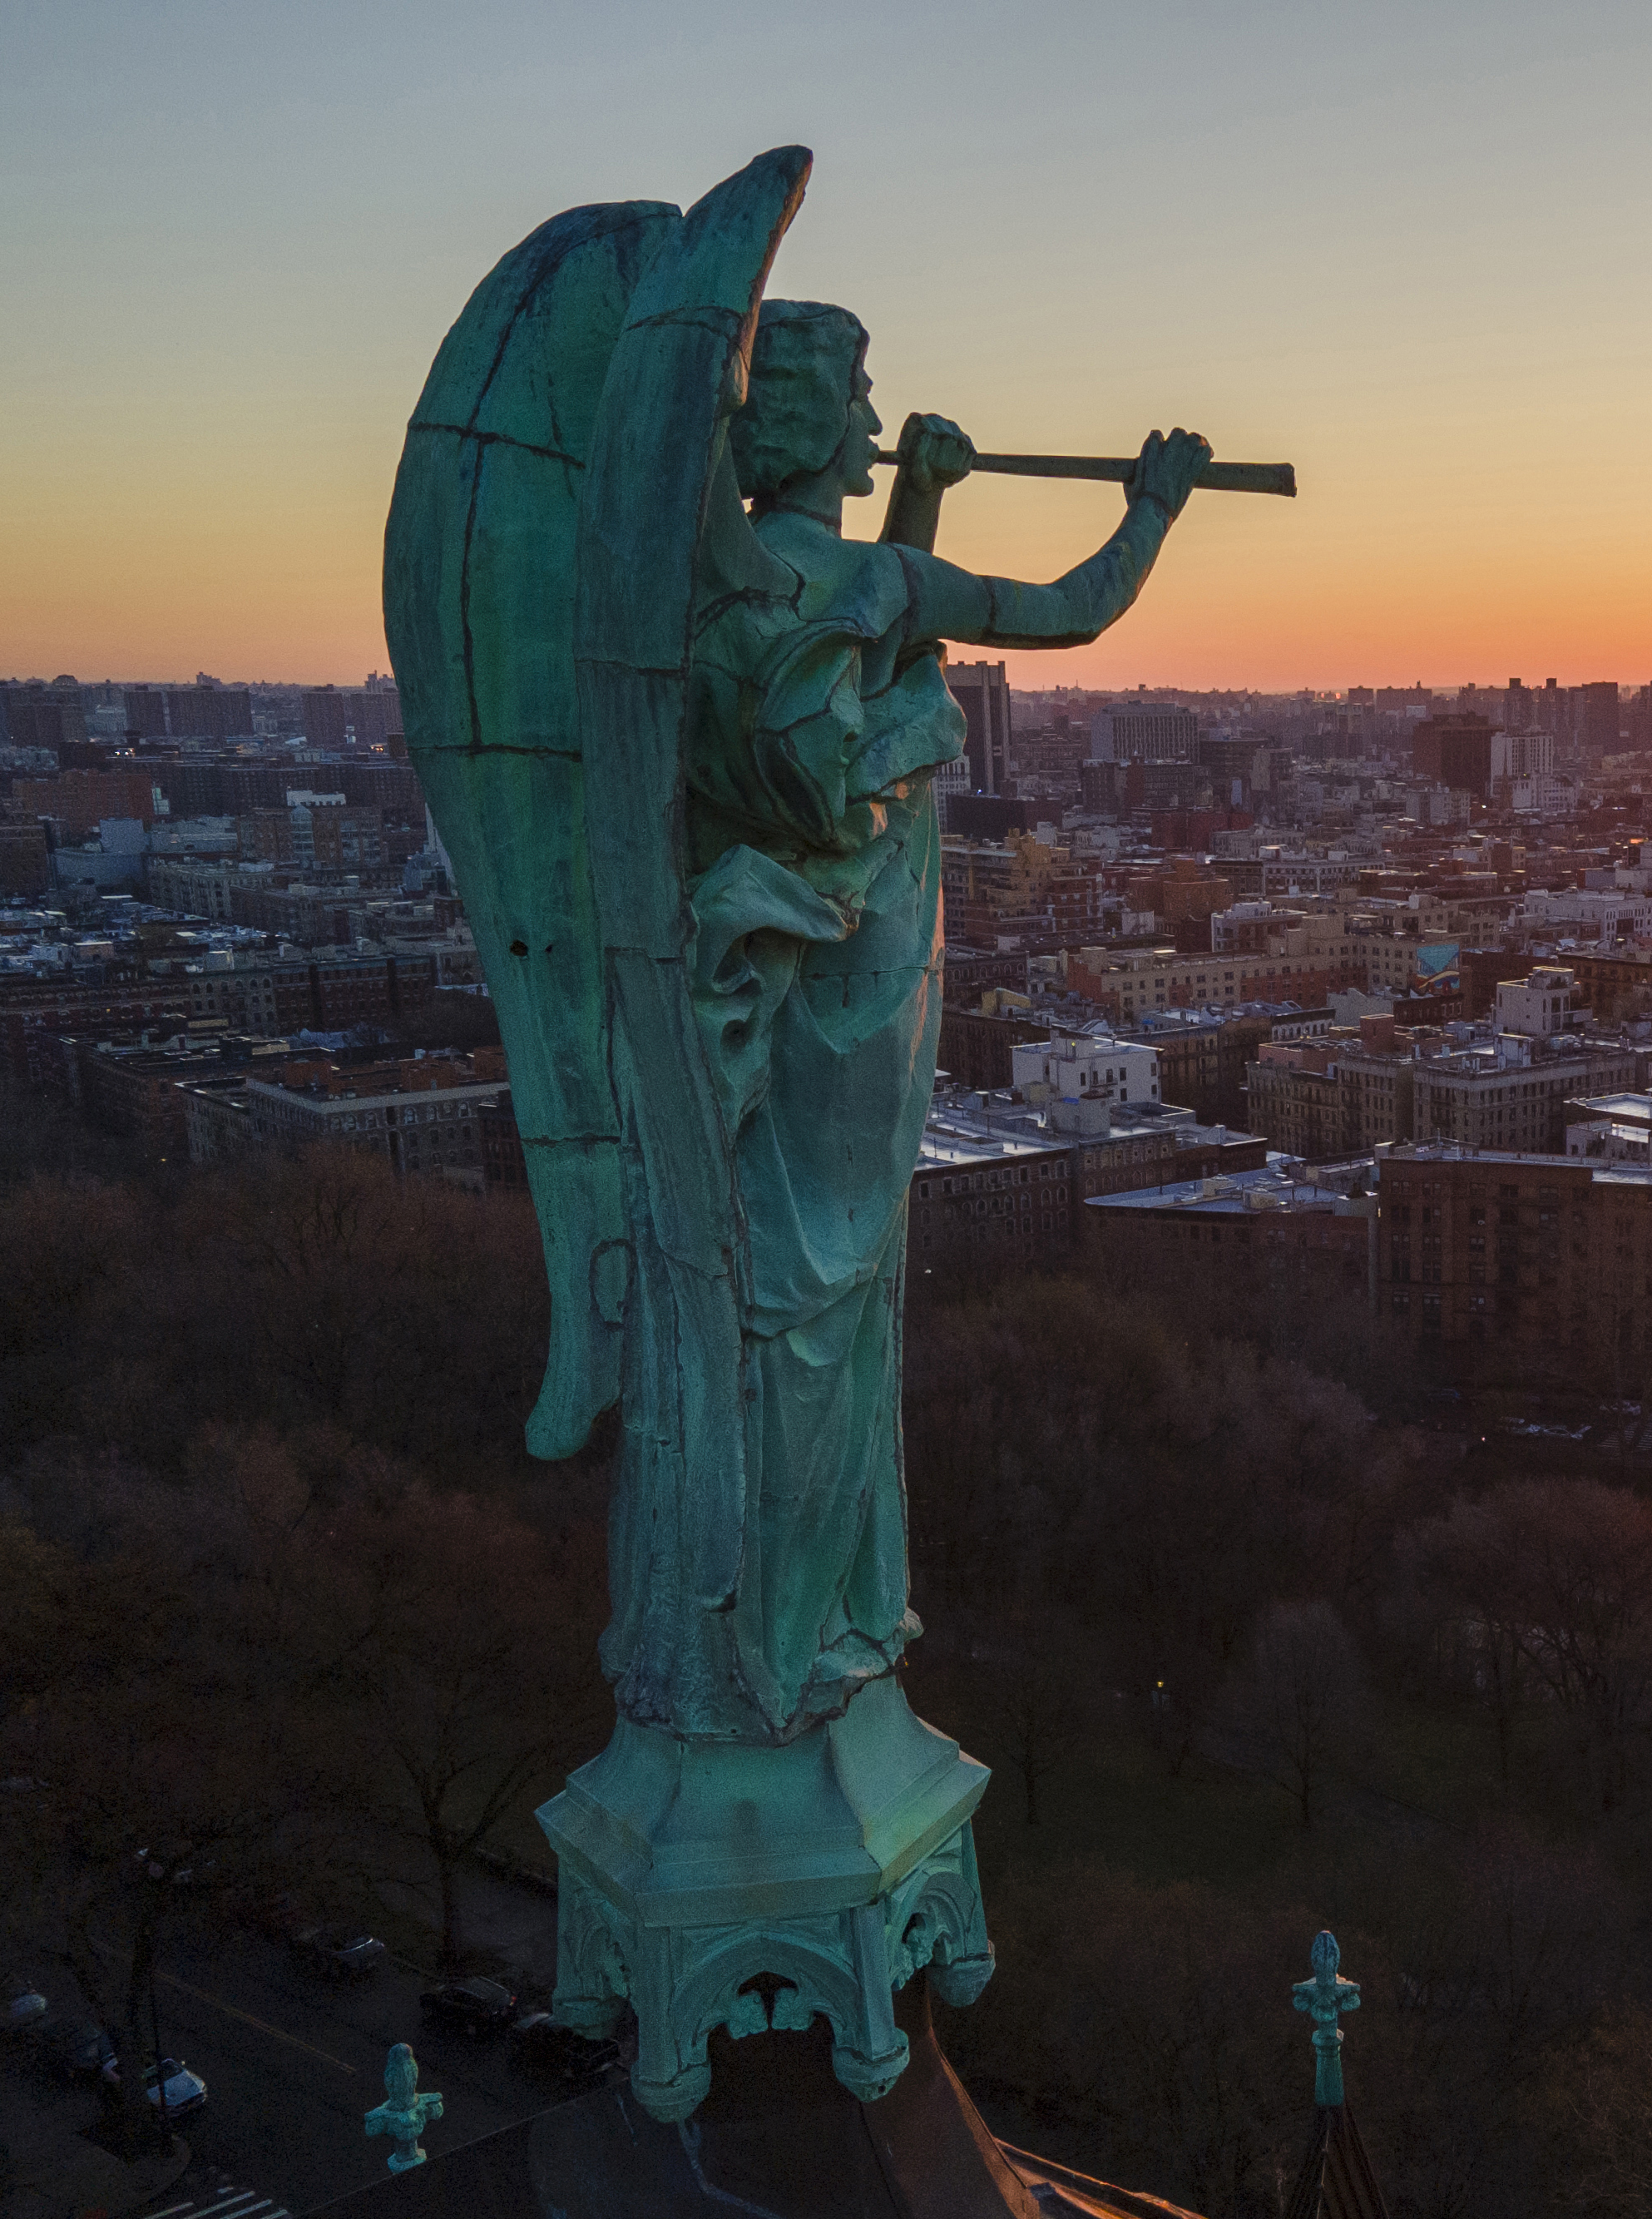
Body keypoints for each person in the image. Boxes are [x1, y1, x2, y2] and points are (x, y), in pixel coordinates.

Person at [614, 296, 1207, 1733]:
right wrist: (1158, 503)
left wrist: (925, 499)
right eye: (867, 401)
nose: (883, 423)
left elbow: (858, 630)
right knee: (826, 1300)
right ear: (829, 425)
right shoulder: (865, 583)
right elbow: (1063, 612)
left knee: (797, 1289)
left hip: (786, 976)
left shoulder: (717, 590)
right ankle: (793, 1635)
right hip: (868, 977)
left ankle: (771, 1605)